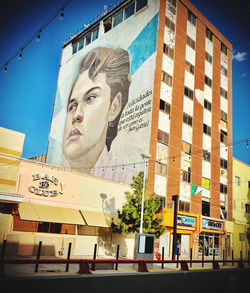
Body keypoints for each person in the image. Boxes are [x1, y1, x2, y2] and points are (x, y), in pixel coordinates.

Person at [62, 47, 134, 182]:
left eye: (90, 98)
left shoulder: (128, 180)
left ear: (114, 107)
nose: (76, 115)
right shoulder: (52, 177)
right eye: (72, 106)